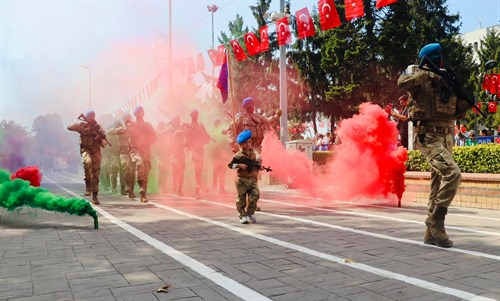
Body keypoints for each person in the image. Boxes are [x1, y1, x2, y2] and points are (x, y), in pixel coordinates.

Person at [398, 43, 461, 248]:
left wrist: (460, 97)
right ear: (429, 59)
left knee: (437, 184)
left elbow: (455, 112)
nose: (442, 60)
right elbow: (402, 82)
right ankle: (436, 220)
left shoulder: (445, 80)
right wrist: (427, 74)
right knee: (453, 174)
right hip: (428, 136)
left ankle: (430, 234)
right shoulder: (419, 77)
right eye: (437, 56)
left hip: (446, 137)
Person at [67, 110, 107, 204]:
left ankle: (95, 196)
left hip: (96, 151)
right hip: (85, 150)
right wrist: (78, 124)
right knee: (87, 162)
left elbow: (104, 136)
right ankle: (88, 184)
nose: (91, 117)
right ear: (86, 117)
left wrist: (100, 136)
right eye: (89, 116)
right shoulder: (82, 125)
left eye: (93, 116)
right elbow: (69, 127)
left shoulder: (98, 127)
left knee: (96, 173)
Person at [228, 130, 263, 224]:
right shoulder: (238, 155)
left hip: (252, 179)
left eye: (250, 142)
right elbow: (230, 165)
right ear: (241, 145)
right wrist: (239, 165)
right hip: (242, 180)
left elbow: (259, 160)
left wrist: (260, 166)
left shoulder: (253, 152)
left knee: (255, 195)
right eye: (246, 143)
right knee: (241, 199)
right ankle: (243, 215)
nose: (249, 144)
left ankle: (250, 213)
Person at [127, 106, 156, 203]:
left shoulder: (148, 125)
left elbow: (153, 137)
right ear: (135, 114)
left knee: (146, 171)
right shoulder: (131, 125)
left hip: (146, 150)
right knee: (139, 164)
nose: (140, 114)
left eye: (141, 112)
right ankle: (137, 188)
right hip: (135, 150)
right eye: (138, 112)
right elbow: (124, 131)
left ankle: (143, 193)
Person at [108, 114, 136, 198]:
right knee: (122, 169)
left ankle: (130, 189)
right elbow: (110, 132)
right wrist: (122, 129)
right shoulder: (121, 130)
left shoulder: (134, 128)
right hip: (120, 153)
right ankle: (121, 187)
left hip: (132, 152)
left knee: (132, 172)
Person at [184, 110, 211, 198]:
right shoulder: (187, 125)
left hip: (200, 150)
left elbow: (206, 139)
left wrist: (206, 137)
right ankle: (197, 186)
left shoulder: (201, 126)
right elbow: (184, 138)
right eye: (194, 114)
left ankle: (197, 188)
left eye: (197, 114)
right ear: (191, 115)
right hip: (191, 150)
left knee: (199, 170)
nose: (196, 116)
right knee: (197, 165)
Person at [168, 116, 187, 196]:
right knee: (175, 170)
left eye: (179, 120)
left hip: (181, 153)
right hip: (173, 153)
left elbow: (185, 133)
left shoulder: (182, 129)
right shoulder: (171, 129)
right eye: (176, 121)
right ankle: (174, 184)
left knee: (181, 171)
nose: (178, 122)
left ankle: (180, 188)